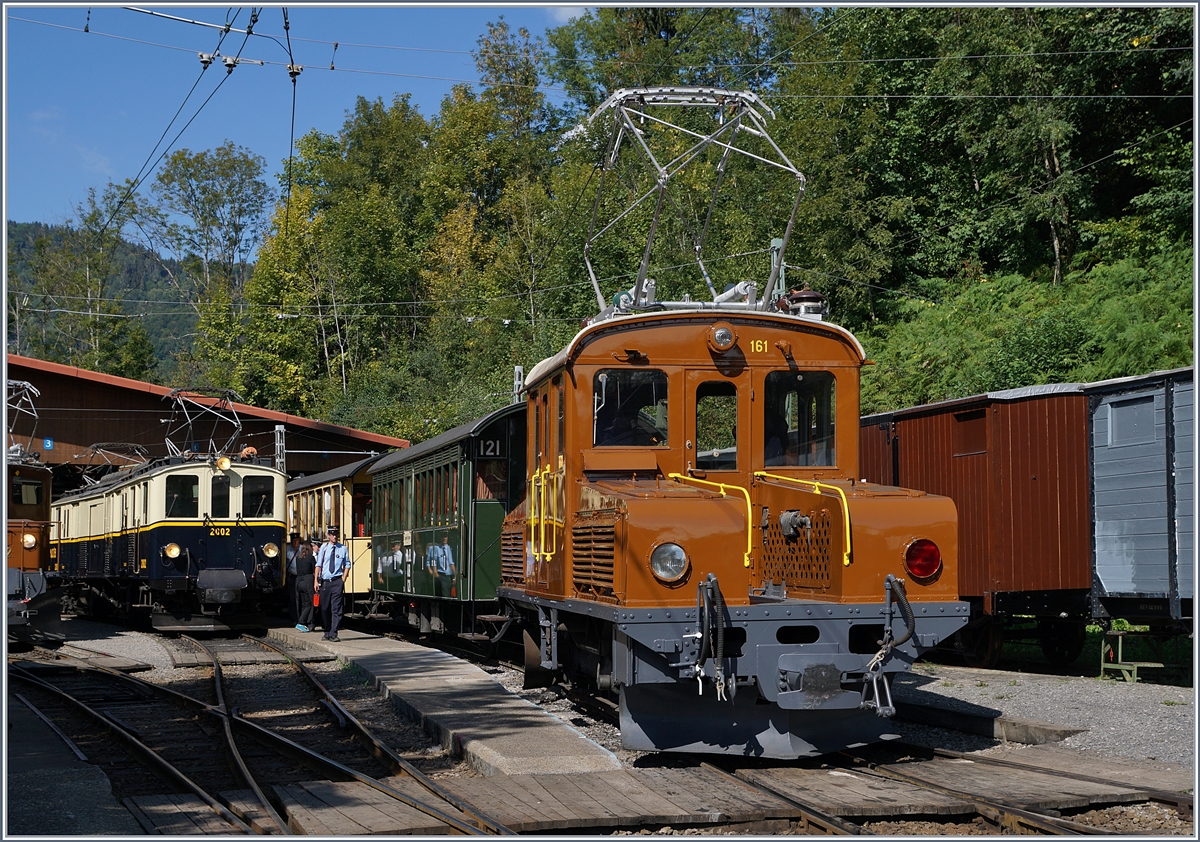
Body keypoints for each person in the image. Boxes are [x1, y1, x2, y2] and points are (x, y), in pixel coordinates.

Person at [315, 526, 350, 641]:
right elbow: (318, 565)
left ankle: (333, 633)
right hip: (325, 582)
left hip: (336, 581)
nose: (335, 536)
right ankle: (326, 631)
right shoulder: (324, 548)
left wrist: (343, 578)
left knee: (336, 609)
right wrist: (316, 580)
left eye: (336, 534)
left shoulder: (343, 548)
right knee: (324, 608)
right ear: (328, 535)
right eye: (332, 534)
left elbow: (347, 564)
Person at [294, 536, 316, 632]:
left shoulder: (298, 558)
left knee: (303, 603)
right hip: (308, 581)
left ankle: (304, 623)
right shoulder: (311, 558)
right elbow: (314, 570)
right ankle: (302, 622)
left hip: (298, 581)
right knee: (310, 603)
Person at [285, 532, 303, 623]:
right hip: (291, 577)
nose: (296, 543)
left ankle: (301, 617)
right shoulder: (287, 550)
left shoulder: (302, 549)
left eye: (297, 541)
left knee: (300, 597)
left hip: (300, 576)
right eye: (294, 541)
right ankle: (294, 618)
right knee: (292, 598)